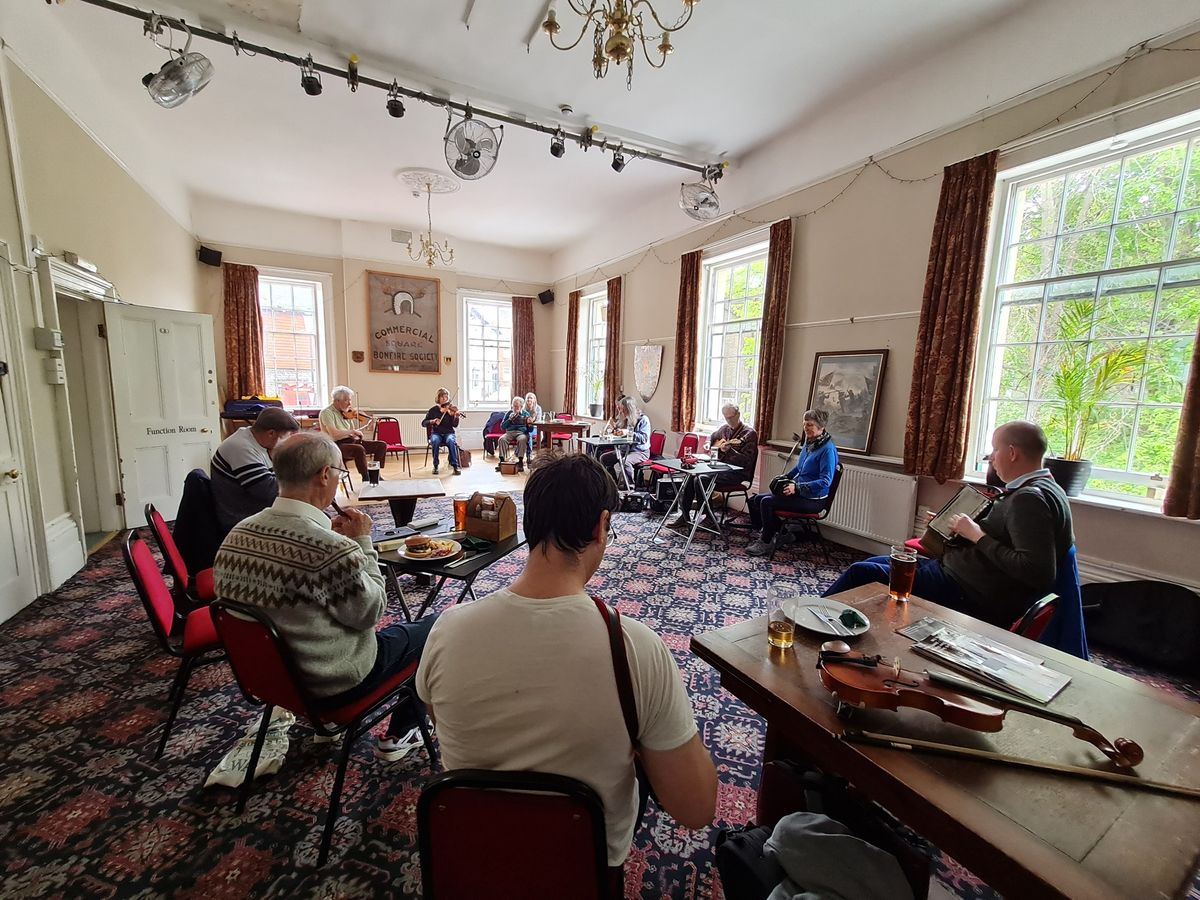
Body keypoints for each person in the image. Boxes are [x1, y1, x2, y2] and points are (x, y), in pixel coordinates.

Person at [416, 453, 717, 880]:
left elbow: (437, 718)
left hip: (471, 859)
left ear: (528, 524)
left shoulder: (447, 630)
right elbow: (696, 808)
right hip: (583, 868)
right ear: (601, 527)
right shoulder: (636, 648)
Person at [213, 433, 437, 761]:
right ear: (323, 475)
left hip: (272, 680)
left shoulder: (237, 534)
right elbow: (372, 611)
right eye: (339, 473)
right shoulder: (330, 550)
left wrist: (332, 542)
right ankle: (402, 733)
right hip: (335, 683)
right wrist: (362, 541)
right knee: (436, 628)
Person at [823, 421, 1074, 628]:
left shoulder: (1029, 499)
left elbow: (1037, 572)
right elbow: (1010, 537)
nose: (992, 460)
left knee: (862, 572)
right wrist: (959, 529)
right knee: (872, 564)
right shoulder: (1048, 489)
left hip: (967, 589)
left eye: (994, 451)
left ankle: (812, 620)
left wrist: (977, 535)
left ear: (1012, 453)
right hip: (959, 573)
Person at [746, 410, 838, 556]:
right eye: (804, 424)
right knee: (757, 499)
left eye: (810, 425)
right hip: (800, 493)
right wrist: (785, 477)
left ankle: (766, 541)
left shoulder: (827, 450)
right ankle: (783, 534)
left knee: (766, 502)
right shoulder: (810, 443)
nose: (805, 428)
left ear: (821, 427)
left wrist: (797, 487)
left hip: (814, 500)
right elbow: (800, 468)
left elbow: (825, 481)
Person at [668, 403, 758, 529]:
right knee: (690, 476)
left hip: (737, 473)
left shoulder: (749, 434)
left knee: (701, 479)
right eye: (726, 418)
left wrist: (729, 451)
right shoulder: (725, 429)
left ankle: (708, 516)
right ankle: (685, 514)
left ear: (738, 415)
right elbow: (712, 437)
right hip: (721, 468)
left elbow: (746, 461)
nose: (729, 421)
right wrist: (707, 443)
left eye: (731, 417)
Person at [210, 407, 300, 532]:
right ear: (271, 433)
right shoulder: (240, 447)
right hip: (241, 518)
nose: (288, 442)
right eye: (287, 437)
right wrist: (303, 480)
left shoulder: (257, 441)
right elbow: (267, 491)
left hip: (256, 508)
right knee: (304, 527)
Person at [318, 386, 387, 482]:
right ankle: (366, 477)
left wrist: (368, 425)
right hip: (335, 445)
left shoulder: (346, 413)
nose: (350, 403)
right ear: (337, 401)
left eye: (350, 400)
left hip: (351, 442)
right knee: (359, 449)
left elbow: (353, 433)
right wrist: (352, 432)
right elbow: (334, 434)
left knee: (381, 445)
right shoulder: (326, 413)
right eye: (347, 400)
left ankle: (375, 472)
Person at [600, 395, 651, 488]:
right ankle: (612, 484)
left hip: (640, 452)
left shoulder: (643, 420)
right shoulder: (626, 419)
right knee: (604, 458)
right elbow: (621, 433)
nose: (621, 411)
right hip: (625, 450)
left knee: (625, 461)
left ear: (629, 409)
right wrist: (615, 430)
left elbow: (644, 438)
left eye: (623, 409)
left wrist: (629, 432)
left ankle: (630, 487)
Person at [422, 388, 461, 476]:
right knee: (435, 441)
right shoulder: (433, 410)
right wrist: (433, 421)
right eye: (442, 397)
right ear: (438, 398)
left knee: (451, 441)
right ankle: (435, 465)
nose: (444, 399)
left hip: (449, 433)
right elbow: (423, 423)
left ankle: (455, 466)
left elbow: (454, 425)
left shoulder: (450, 410)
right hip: (436, 433)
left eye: (446, 397)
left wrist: (456, 417)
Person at [496, 396, 533, 470]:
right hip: (510, 432)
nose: (514, 408)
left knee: (522, 439)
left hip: (521, 433)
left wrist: (529, 424)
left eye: (516, 406)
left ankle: (520, 461)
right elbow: (502, 427)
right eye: (513, 406)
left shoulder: (526, 414)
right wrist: (509, 420)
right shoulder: (509, 413)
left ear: (521, 406)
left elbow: (530, 430)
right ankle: (502, 461)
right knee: (502, 439)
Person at [524, 392, 543, 463]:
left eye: (531, 398)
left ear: (534, 399)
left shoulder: (538, 408)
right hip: (525, 427)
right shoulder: (524, 408)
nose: (529, 399)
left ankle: (532, 454)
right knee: (528, 435)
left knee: (530, 434)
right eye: (528, 398)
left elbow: (538, 421)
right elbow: (522, 420)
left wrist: (531, 421)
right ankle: (529, 455)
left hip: (535, 427)